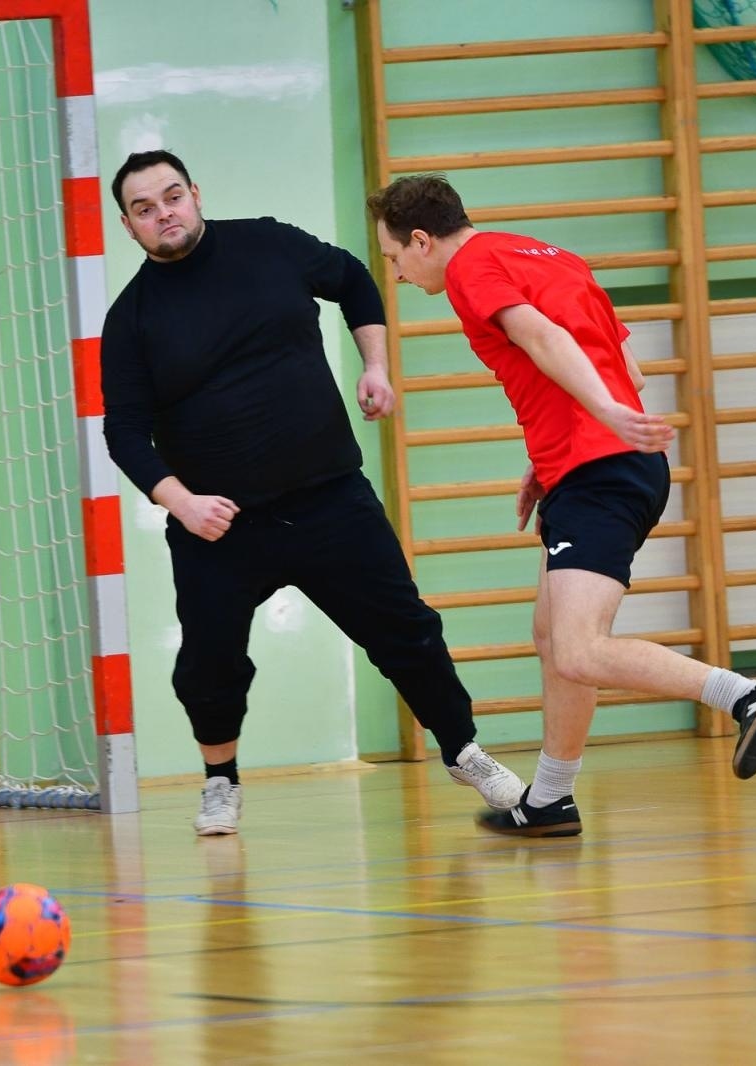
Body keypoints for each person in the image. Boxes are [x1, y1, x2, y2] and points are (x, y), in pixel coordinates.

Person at [100, 149, 525, 837]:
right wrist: (179, 502)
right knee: (207, 664)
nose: (163, 214)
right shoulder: (131, 319)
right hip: (220, 526)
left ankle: (464, 751)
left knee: (408, 632)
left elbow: (356, 281)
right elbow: (123, 432)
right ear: (129, 226)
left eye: (172, 196)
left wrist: (377, 367)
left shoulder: (270, 245)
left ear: (195, 192)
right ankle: (220, 781)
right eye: (144, 209)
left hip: (329, 498)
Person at [366, 174, 756, 839]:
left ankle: (744, 695)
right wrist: (551, 452)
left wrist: (599, 419)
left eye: (395, 258)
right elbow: (630, 365)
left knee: (576, 649)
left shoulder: (472, 271)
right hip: (596, 464)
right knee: (552, 636)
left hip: (601, 467)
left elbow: (544, 339)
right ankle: (550, 800)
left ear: (422, 240)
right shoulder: (546, 255)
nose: (396, 275)